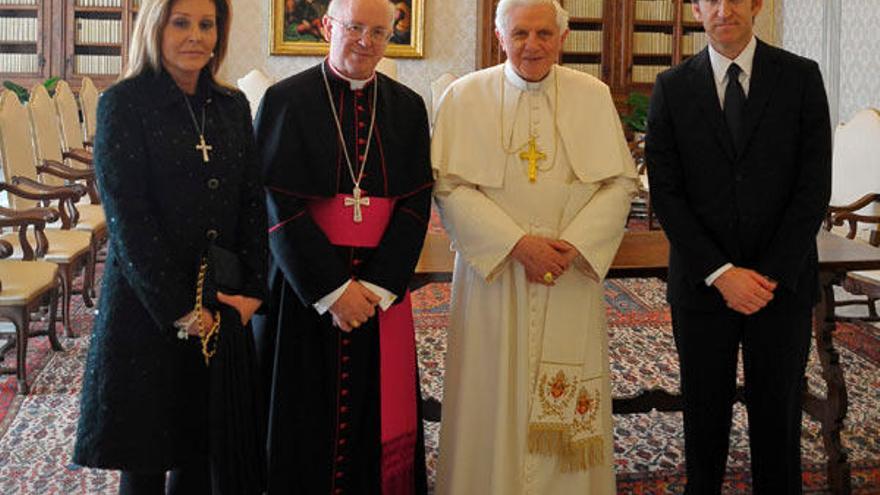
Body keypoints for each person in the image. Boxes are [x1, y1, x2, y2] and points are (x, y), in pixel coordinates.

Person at [431, 0, 638, 493]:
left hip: (567, 274)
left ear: (562, 38)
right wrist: (518, 245)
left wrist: (571, 246)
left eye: (544, 33)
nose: (532, 45)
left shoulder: (593, 95)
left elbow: (619, 183)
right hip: (495, 276)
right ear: (500, 36)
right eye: (520, 34)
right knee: (490, 389)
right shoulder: (464, 96)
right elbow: (450, 186)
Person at [72, 0, 268, 493]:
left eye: (207, 24)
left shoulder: (231, 106)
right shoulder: (123, 104)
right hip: (147, 309)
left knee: (202, 451)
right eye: (181, 23)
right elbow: (128, 220)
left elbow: (251, 202)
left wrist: (251, 292)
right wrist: (181, 309)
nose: (195, 36)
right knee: (145, 455)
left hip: (220, 303)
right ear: (155, 27)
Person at [645, 0, 832, 492]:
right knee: (703, 415)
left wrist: (769, 274)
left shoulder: (801, 77)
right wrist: (720, 272)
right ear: (696, 8)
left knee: (778, 415)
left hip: (781, 286)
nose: (724, 9)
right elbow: (665, 191)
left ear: (757, 5)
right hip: (703, 285)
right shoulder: (671, 87)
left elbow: (813, 188)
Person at [252, 0, 432, 492]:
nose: (366, 42)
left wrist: (375, 285)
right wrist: (332, 290)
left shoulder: (408, 108)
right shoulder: (286, 100)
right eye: (354, 28)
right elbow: (276, 204)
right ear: (328, 27)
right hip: (304, 290)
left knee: (374, 414)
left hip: (379, 293)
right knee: (299, 408)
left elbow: (417, 203)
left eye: (379, 32)